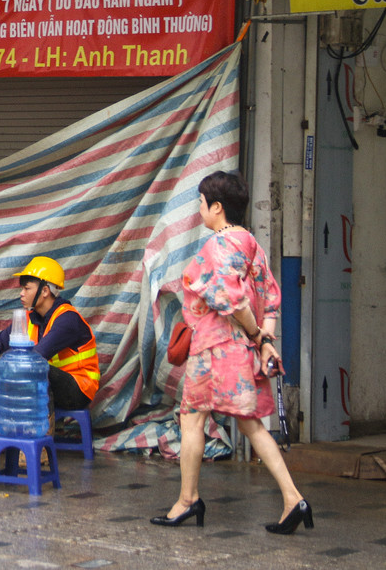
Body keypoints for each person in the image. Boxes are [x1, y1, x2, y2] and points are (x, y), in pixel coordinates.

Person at [152, 170, 312, 535]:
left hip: (214, 349)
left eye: (201, 202)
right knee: (251, 424)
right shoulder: (251, 243)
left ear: (217, 207)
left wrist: (255, 333)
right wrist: (263, 340)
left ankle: (188, 501)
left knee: (191, 419)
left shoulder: (218, 245)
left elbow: (233, 301)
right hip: (241, 350)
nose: (199, 209)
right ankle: (293, 499)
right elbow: (270, 297)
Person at [0, 256, 98, 413]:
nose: (21, 293)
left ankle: (34, 424)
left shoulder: (67, 319)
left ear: (45, 291)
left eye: (26, 288)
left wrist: (2, 380)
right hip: (49, 385)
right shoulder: (30, 318)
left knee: (38, 368)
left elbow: (35, 359)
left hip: (78, 389)